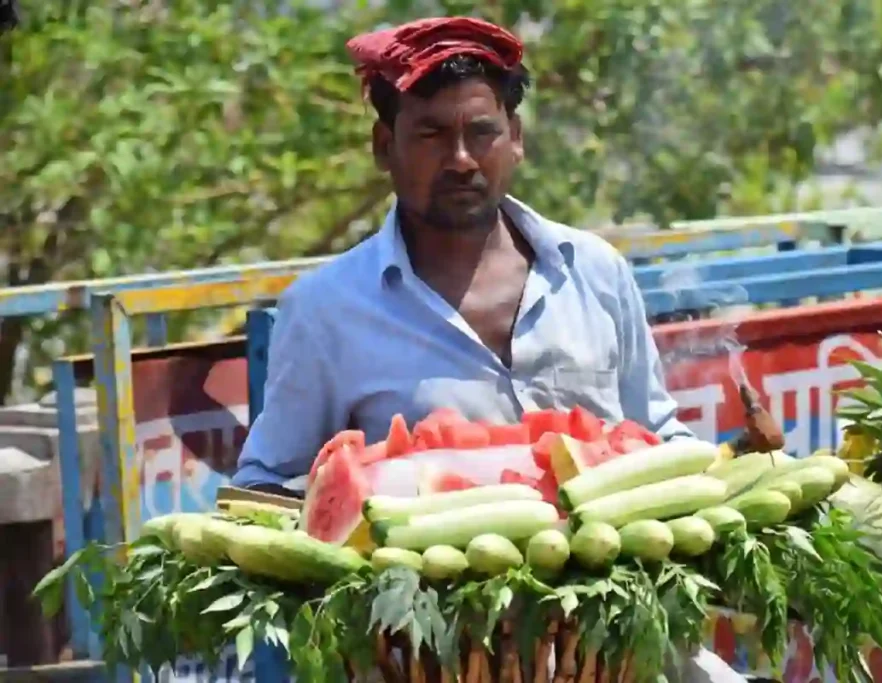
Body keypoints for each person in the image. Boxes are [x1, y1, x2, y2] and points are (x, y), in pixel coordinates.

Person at [233, 17, 745, 682]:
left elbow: (652, 436)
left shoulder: (594, 270)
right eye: (431, 135)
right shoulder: (325, 309)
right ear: (383, 145)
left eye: (482, 132)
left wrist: (732, 473)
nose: (462, 158)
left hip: (612, 649)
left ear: (517, 139)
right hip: (424, 658)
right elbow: (265, 489)